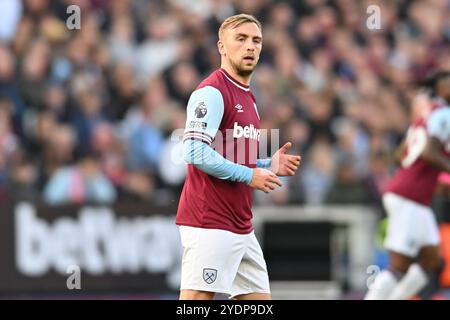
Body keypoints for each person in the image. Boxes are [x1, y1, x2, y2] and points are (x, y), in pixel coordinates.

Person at [175, 14, 301, 300]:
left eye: (256, 40)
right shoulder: (211, 92)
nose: (250, 47)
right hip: (209, 222)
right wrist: (249, 176)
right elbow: (194, 151)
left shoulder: (249, 98)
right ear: (221, 47)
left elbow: (233, 158)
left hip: (241, 226)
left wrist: (268, 165)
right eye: (241, 39)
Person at [365, 71, 450, 300]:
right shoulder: (444, 116)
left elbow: (402, 154)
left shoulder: (426, 118)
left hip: (414, 198)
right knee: (398, 266)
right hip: (409, 198)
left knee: (433, 260)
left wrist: (433, 179)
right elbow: (429, 152)